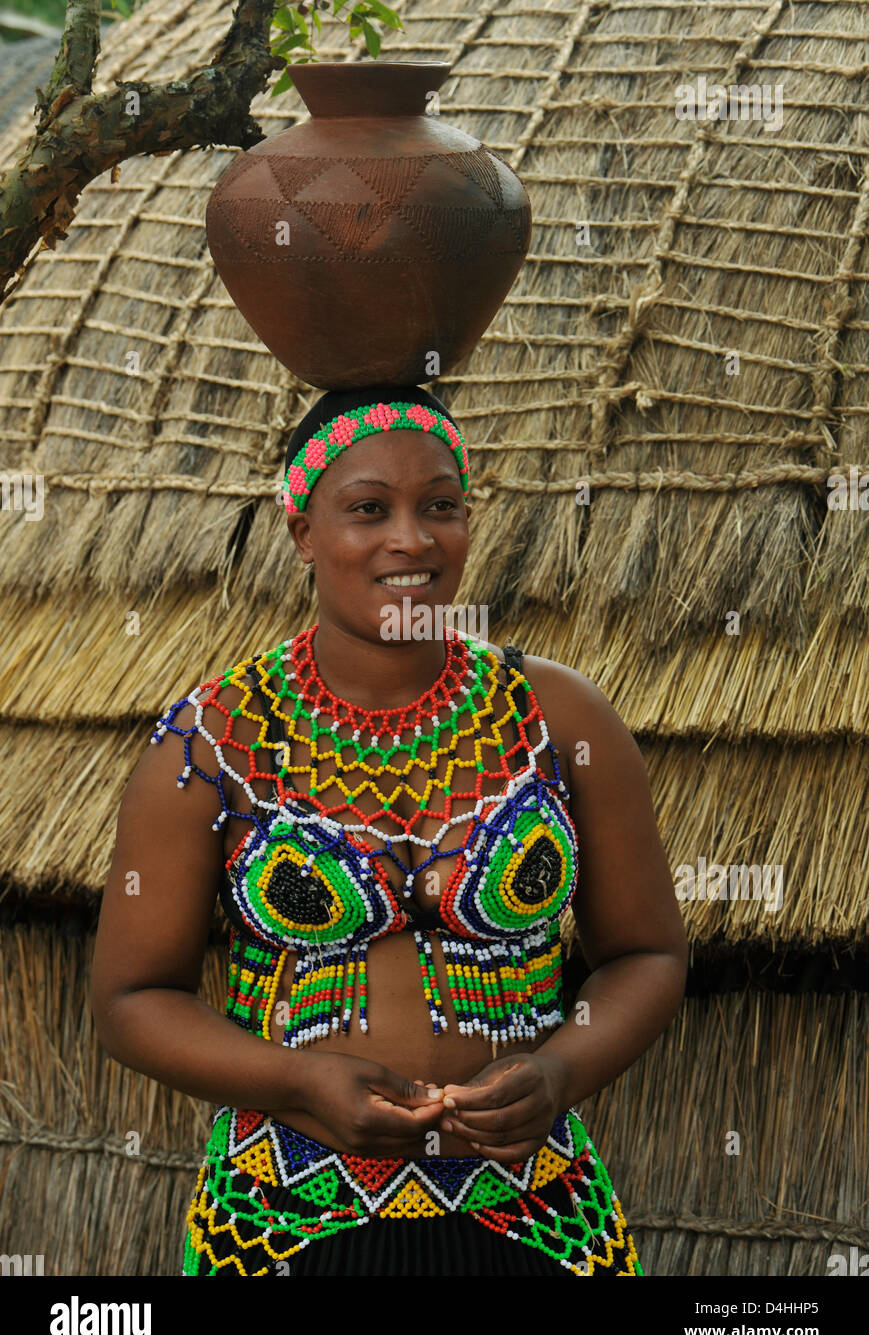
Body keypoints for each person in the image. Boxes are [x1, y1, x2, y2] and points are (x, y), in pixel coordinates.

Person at [92, 384, 687, 1276]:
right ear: (302, 531)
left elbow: (648, 954)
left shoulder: (559, 719)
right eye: (368, 509)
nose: (411, 539)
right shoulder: (215, 741)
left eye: (439, 506)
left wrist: (559, 1074)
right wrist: (297, 1081)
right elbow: (131, 1002)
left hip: (533, 1210)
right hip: (285, 1216)